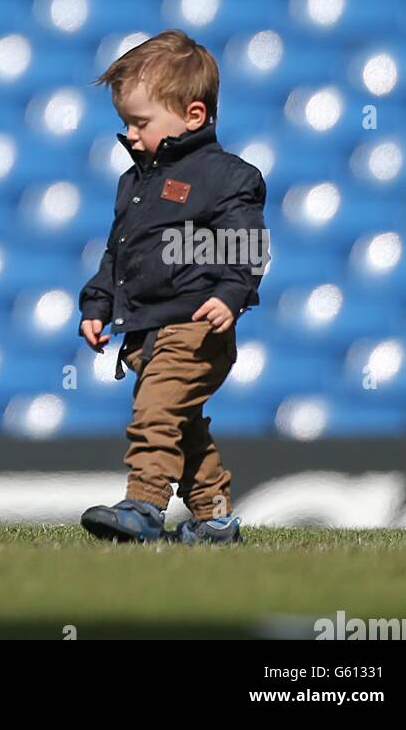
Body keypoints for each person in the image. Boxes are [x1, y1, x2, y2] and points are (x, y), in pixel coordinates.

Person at [77, 30, 268, 545]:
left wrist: (231, 293)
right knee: (182, 426)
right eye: (125, 124)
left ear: (194, 116)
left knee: (155, 414)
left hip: (194, 325)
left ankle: (144, 504)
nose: (131, 136)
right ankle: (216, 517)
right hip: (145, 331)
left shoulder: (226, 177)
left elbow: (247, 244)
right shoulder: (135, 183)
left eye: (140, 123)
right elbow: (118, 254)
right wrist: (97, 302)